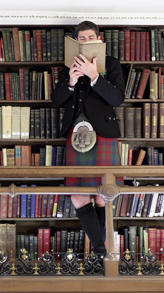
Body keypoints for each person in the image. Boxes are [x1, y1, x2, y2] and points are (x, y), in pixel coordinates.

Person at [51, 21, 125, 256]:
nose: (86, 41)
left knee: (105, 195)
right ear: (76, 42)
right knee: (77, 195)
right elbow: (55, 101)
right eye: (81, 39)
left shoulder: (111, 64)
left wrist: (95, 77)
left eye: (90, 37)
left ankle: (101, 253)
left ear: (99, 40)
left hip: (102, 133)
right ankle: (101, 250)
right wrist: (70, 83)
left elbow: (117, 99)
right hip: (76, 135)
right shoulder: (68, 66)